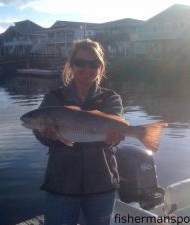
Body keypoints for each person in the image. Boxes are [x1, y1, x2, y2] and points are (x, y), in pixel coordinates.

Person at [33, 39, 125, 225]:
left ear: (100, 67)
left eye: (93, 64)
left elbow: (115, 133)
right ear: (71, 65)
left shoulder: (111, 98)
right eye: (80, 62)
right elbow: (39, 132)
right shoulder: (54, 97)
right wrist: (46, 135)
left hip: (101, 184)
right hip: (61, 185)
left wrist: (114, 139)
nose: (86, 68)